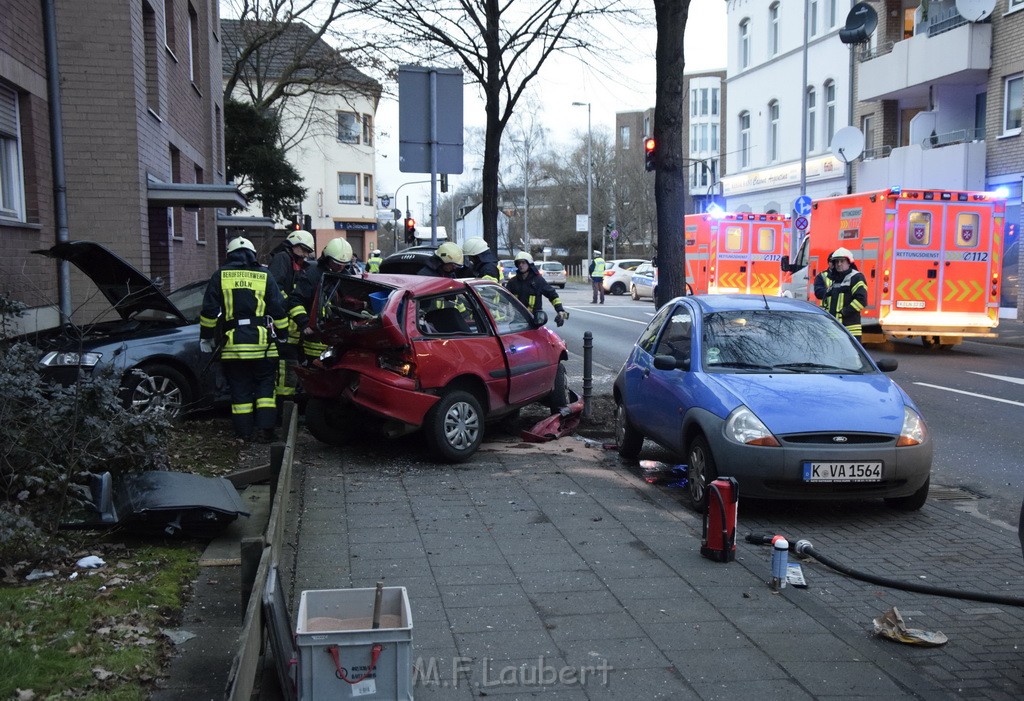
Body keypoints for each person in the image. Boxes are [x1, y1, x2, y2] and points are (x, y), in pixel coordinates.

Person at [199, 237, 289, 443]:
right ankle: (265, 431)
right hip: (263, 345)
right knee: (266, 389)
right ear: (253, 254)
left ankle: (244, 433)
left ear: (229, 255)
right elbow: (278, 309)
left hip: (234, 346)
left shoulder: (220, 275)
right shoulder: (264, 275)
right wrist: (283, 335)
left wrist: (206, 337)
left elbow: (209, 311)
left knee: (240, 390)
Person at [288, 237, 358, 365]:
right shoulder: (312, 274)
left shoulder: (347, 278)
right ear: (327, 259)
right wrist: (305, 323)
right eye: (336, 263)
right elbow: (295, 301)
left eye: (343, 264)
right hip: (314, 342)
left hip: (340, 341)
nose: (340, 267)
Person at [267, 230, 315, 402]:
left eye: (308, 252)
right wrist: (290, 303)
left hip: (293, 331)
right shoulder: (282, 259)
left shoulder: (296, 263)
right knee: (285, 371)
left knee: (292, 370)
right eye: (303, 250)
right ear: (293, 245)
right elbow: (275, 289)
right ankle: (282, 410)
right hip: (284, 328)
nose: (306, 255)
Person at [814, 246, 868, 339]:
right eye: (837, 261)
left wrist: (844, 312)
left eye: (842, 261)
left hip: (850, 328)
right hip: (834, 327)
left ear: (849, 262)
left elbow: (861, 300)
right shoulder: (836, 279)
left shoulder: (856, 277)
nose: (839, 264)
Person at [506, 250, 568, 327]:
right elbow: (503, 300)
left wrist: (560, 311)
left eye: (523, 262)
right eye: (519, 263)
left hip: (535, 322)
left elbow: (552, 295)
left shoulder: (538, 280)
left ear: (529, 264)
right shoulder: (513, 282)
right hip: (518, 322)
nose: (520, 265)